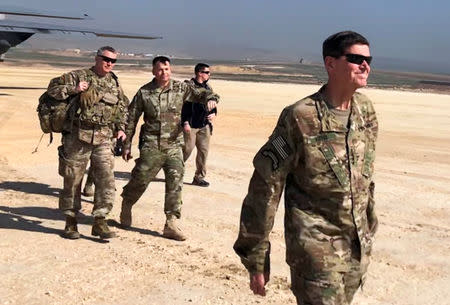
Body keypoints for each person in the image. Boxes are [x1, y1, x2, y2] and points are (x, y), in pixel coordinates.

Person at [233, 31, 378, 305]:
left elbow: (365, 180)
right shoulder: (300, 117)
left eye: (369, 59)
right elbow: (265, 187)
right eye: (356, 58)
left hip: (357, 247)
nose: (366, 66)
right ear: (331, 64)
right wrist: (255, 255)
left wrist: (370, 227)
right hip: (315, 251)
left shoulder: (365, 112)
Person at [120, 56, 219, 241]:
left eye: (166, 69)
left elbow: (201, 93)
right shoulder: (144, 93)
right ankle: (127, 202)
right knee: (140, 179)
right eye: (159, 70)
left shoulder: (181, 88)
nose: (163, 73)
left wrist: (212, 99)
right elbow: (131, 119)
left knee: (175, 183)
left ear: (170, 70)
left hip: (174, 145)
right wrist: (127, 145)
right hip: (151, 145)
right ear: (153, 71)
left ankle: (171, 222)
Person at [47, 46, 129, 239]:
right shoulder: (78, 76)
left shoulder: (114, 83)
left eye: (113, 61)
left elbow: (122, 107)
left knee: (106, 180)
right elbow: (52, 89)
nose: (109, 63)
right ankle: (71, 222)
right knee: (73, 180)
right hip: (77, 137)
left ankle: (100, 222)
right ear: (96, 58)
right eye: (106, 59)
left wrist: (121, 128)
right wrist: (73, 89)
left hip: (103, 139)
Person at [181, 63, 217, 187]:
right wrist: (185, 122)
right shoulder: (188, 87)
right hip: (190, 125)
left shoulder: (208, 88)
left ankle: (199, 177)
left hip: (204, 125)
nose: (209, 75)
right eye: (207, 72)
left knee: (203, 152)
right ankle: (174, 172)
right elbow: (183, 107)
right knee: (186, 150)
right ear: (199, 73)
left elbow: (212, 104)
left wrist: (213, 114)